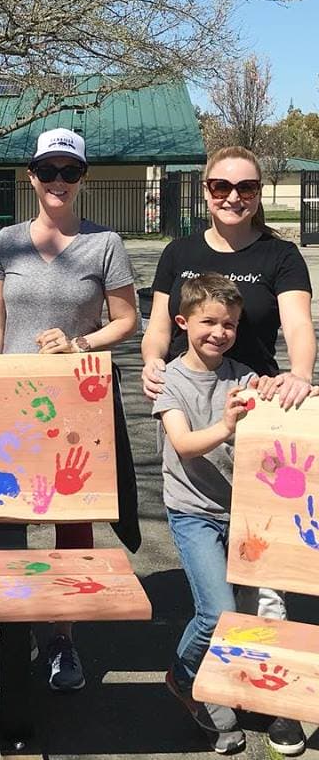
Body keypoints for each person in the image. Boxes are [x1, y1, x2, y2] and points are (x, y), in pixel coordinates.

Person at [141, 144, 313, 756]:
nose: (232, 196)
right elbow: (160, 327)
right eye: (219, 186)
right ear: (205, 190)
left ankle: (274, 701)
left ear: (260, 190)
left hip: (262, 410)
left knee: (270, 591)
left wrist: (299, 374)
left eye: (245, 186)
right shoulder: (182, 254)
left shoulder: (281, 255)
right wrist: (153, 364)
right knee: (220, 604)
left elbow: (297, 326)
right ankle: (213, 687)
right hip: (206, 413)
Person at [0, 128, 140, 695]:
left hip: (75, 406)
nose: (59, 182)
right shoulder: (7, 241)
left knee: (71, 521)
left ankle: (62, 636)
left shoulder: (105, 244)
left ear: (83, 178)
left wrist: (82, 345)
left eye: (70, 172)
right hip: (10, 405)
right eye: (49, 171)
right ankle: (5, 632)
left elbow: (126, 321)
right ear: (32, 176)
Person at [154, 274, 267, 754]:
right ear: (182, 323)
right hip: (193, 512)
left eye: (230, 324)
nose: (219, 332)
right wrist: (225, 423)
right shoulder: (170, 382)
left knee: (240, 615)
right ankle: (182, 678)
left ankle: (223, 683)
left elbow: (272, 414)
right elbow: (183, 445)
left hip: (240, 512)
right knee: (217, 611)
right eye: (208, 322)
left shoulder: (241, 376)